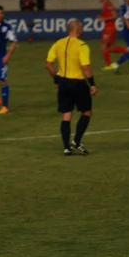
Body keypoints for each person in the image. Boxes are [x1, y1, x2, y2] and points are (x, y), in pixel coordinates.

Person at [45, 19, 97, 156]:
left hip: (63, 83)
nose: (83, 31)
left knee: (66, 114)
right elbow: (86, 67)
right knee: (86, 112)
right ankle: (76, 141)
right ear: (78, 30)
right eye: (82, 28)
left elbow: (49, 64)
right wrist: (92, 84)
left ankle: (66, 148)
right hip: (78, 83)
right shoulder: (82, 46)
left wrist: (57, 79)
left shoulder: (58, 43)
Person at [97, 0, 127, 70]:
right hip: (108, 27)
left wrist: (104, 18)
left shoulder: (108, 4)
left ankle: (109, 65)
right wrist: (102, 17)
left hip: (110, 28)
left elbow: (114, 16)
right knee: (107, 48)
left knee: (103, 47)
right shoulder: (106, 4)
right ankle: (127, 51)